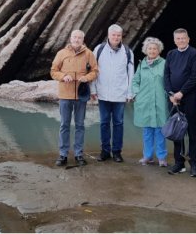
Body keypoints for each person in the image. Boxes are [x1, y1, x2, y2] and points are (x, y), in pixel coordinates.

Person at [50, 29, 98, 167]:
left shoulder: (88, 54)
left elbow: (95, 71)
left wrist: (86, 78)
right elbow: (53, 71)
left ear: (83, 40)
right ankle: (63, 154)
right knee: (64, 125)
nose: (77, 40)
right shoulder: (61, 53)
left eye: (79, 38)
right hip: (65, 95)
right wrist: (63, 76)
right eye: (74, 37)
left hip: (81, 95)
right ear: (70, 38)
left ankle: (78, 154)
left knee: (80, 125)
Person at [90, 24, 135, 163]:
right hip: (103, 94)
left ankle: (116, 152)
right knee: (104, 123)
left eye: (118, 35)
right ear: (108, 35)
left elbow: (130, 74)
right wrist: (93, 89)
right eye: (113, 35)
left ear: (121, 36)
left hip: (120, 94)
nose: (116, 37)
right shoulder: (99, 49)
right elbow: (93, 70)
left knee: (118, 123)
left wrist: (130, 93)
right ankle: (105, 151)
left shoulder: (127, 52)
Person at [164, 28, 196, 176]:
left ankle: (194, 163)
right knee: (176, 131)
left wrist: (182, 92)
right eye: (178, 39)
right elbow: (166, 75)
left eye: (183, 38)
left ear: (188, 39)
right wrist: (171, 94)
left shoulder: (194, 53)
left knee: (192, 130)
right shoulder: (171, 54)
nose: (181, 41)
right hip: (174, 100)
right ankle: (179, 163)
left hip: (190, 98)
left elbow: (195, 76)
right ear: (175, 40)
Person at [131, 37, 169, 167]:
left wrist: (169, 95)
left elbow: (169, 82)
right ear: (145, 50)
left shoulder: (165, 63)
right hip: (145, 102)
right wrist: (136, 93)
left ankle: (162, 157)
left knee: (160, 131)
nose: (152, 50)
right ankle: (147, 156)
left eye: (155, 48)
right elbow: (135, 81)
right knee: (147, 131)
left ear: (159, 50)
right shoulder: (142, 65)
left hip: (160, 103)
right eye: (150, 48)